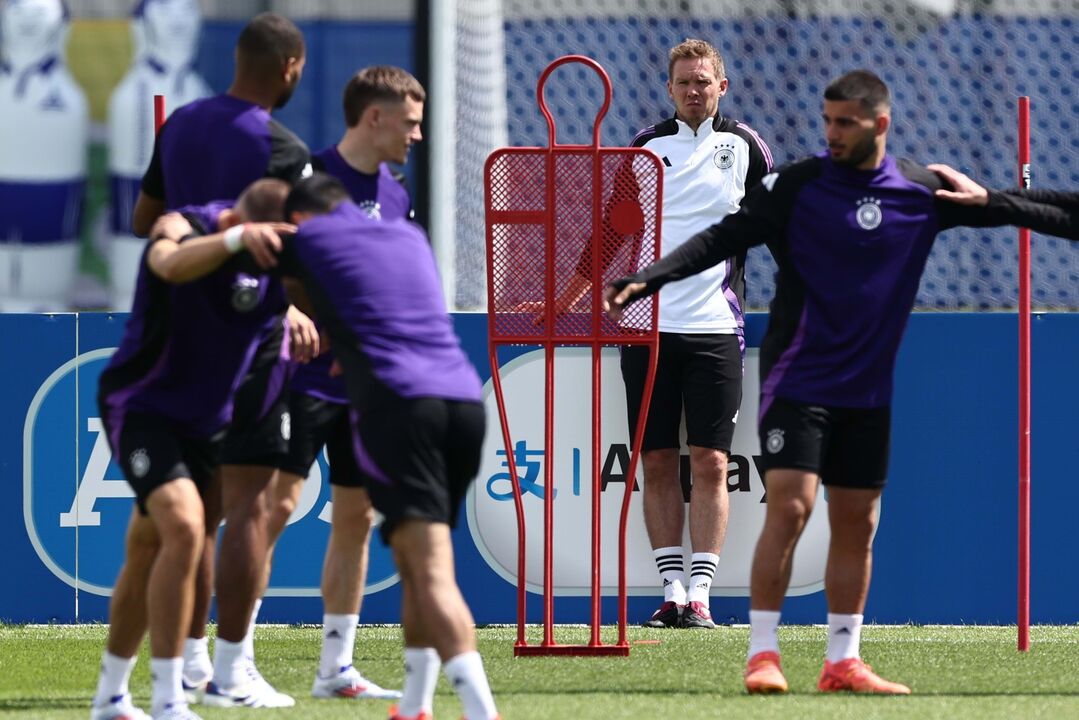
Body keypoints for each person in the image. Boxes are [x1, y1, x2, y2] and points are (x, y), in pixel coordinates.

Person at [604, 69, 1079, 694]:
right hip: (797, 380)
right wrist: (652, 276)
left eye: (845, 123)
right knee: (792, 507)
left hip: (868, 391)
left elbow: (1017, 208)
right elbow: (722, 237)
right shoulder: (797, 185)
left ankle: (843, 661)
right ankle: (763, 654)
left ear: (880, 125)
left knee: (858, 522)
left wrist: (993, 198)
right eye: (827, 120)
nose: (831, 133)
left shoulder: (916, 189)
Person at [548, 39, 771, 629]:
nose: (694, 90)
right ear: (669, 88)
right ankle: (670, 591)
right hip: (646, 329)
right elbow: (611, 232)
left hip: (715, 327)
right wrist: (564, 302)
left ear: (722, 86)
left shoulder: (745, 147)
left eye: (703, 81)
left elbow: (779, 227)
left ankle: (701, 594)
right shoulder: (646, 147)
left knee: (711, 462)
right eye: (684, 82)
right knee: (657, 461)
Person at [129, 12, 313, 708]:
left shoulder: (178, 124)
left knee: (193, 517)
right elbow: (300, 254)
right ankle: (232, 673)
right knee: (253, 507)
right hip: (249, 337)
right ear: (290, 67)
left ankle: (189, 663)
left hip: (176, 336)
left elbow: (146, 220)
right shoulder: (282, 146)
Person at [275, 173, 500, 720]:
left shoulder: (313, 238)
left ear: (302, 218)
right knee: (418, 562)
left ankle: (481, 709)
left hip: (403, 409)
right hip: (463, 404)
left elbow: (244, 270)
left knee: (430, 573)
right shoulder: (406, 236)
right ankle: (415, 703)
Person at [89, 178, 295, 720]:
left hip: (208, 424)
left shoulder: (291, 260)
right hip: (142, 407)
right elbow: (167, 262)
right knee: (184, 527)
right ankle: (169, 698)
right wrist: (236, 241)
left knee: (147, 546)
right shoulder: (191, 226)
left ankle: (110, 697)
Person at [272, 65, 423, 701]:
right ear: (375, 117)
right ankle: (225, 662)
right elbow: (273, 264)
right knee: (271, 509)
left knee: (356, 516)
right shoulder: (306, 177)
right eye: (410, 122)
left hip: (364, 385)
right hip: (301, 376)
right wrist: (294, 310)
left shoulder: (396, 192)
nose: (417, 135)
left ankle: (336, 668)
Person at [107, 0, 212, 310]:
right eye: (167, 12)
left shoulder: (198, 91)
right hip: (145, 217)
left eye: (185, 12)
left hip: (186, 223)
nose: (177, 21)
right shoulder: (133, 93)